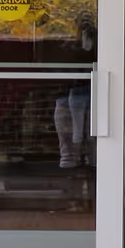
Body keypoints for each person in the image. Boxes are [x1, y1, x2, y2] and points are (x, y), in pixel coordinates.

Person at [55, 17, 96, 170]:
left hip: (88, 92)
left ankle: (84, 164)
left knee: (88, 139)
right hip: (74, 93)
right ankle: (76, 165)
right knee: (79, 138)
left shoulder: (101, 44)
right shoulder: (68, 46)